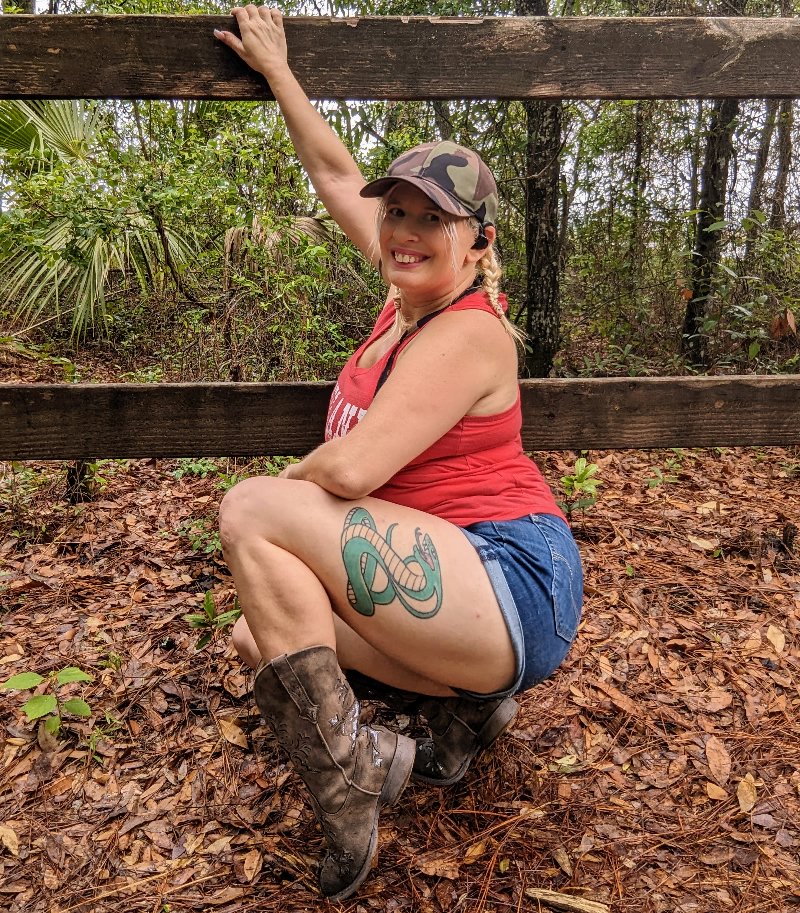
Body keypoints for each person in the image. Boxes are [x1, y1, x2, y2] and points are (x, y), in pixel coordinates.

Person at [214, 6, 583, 902]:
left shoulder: (469, 335)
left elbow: (346, 474)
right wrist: (280, 72)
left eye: (435, 220)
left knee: (254, 510)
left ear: (481, 241)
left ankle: (349, 782)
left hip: (510, 574)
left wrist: (282, 496)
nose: (407, 230)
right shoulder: (402, 294)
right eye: (400, 213)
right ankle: (458, 710)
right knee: (254, 633)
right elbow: (338, 171)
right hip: (458, 578)